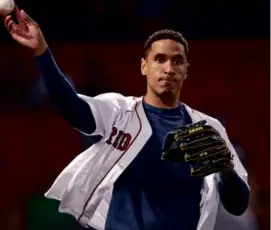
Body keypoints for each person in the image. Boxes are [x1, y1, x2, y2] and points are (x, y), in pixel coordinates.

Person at [4, 8, 250, 230]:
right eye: (160, 59)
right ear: (144, 66)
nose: (168, 68)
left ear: (186, 69)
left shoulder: (208, 129)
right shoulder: (120, 112)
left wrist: (226, 170)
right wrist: (42, 53)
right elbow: (72, 108)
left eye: (177, 61)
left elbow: (238, 205)